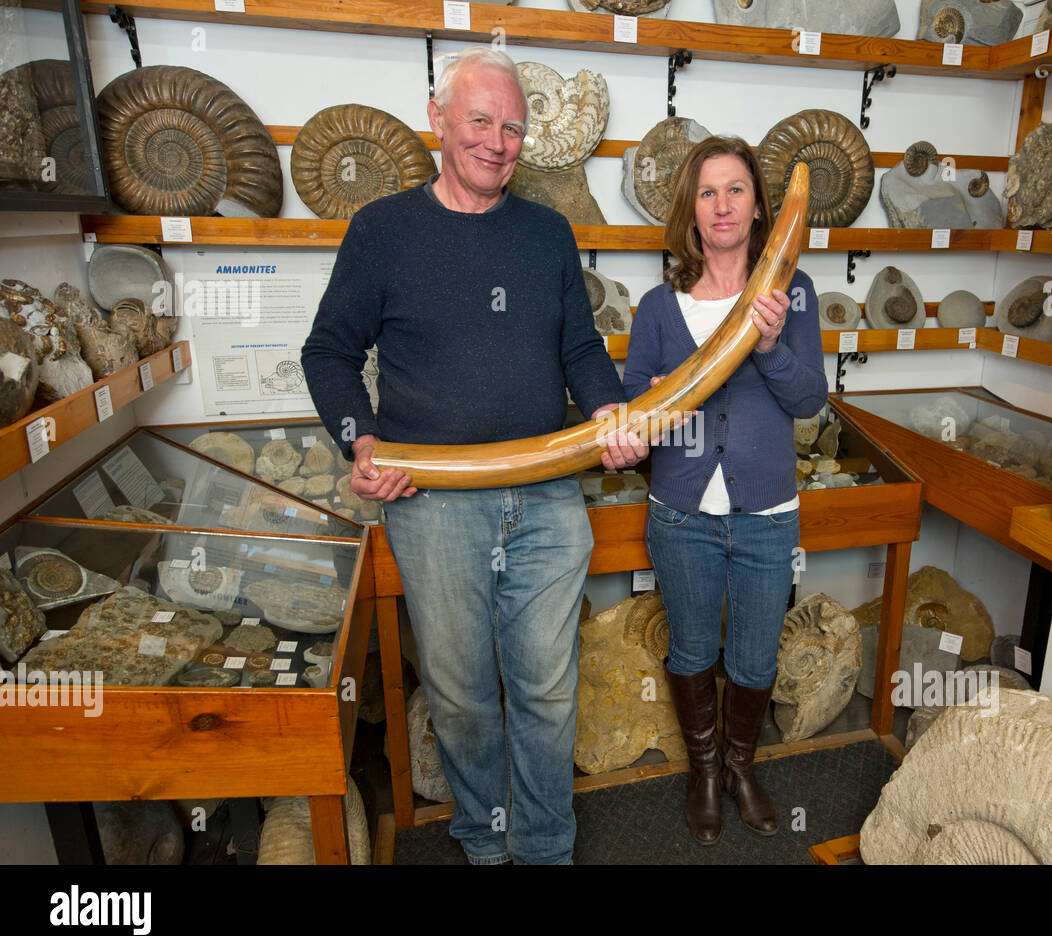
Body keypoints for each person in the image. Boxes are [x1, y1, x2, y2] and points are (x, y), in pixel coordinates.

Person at [301, 47, 646, 865]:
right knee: (458, 698)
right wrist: (362, 435)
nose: (497, 142)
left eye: (514, 128)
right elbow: (328, 354)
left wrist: (608, 409)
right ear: (441, 120)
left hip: (549, 497)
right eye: (481, 121)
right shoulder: (381, 232)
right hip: (433, 505)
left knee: (546, 690)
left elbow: (581, 349)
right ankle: (485, 843)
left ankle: (545, 849)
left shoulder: (547, 234)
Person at [623, 137, 827, 845]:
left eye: (735, 189)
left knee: (754, 659)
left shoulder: (791, 294)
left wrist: (770, 348)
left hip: (767, 514)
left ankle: (741, 766)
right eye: (707, 192)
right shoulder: (656, 306)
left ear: (758, 204)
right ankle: (705, 771)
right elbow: (631, 424)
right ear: (691, 210)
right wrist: (649, 407)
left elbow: (810, 402)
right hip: (680, 516)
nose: (722, 205)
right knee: (690, 652)